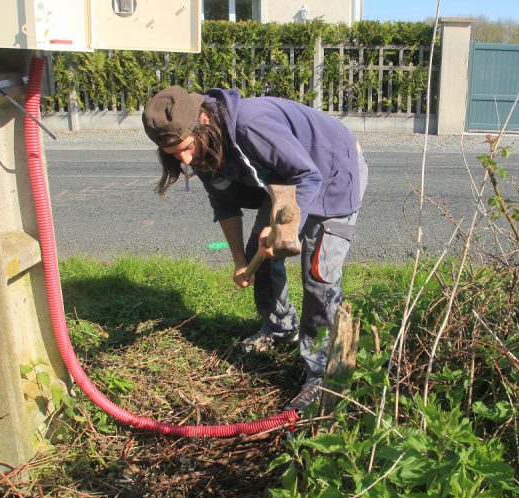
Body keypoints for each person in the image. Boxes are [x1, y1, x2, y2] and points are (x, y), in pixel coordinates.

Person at [141, 86, 367, 412]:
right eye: (175, 155)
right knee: (258, 255)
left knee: (319, 273)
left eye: (186, 149)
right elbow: (224, 203)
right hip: (285, 179)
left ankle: (319, 376)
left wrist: (281, 227)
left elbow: (306, 174)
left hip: (333, 169)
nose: (186, 160)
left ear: (202, 120)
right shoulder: (203, 142)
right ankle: (279, 328)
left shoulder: (249, 125)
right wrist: (238, 260)